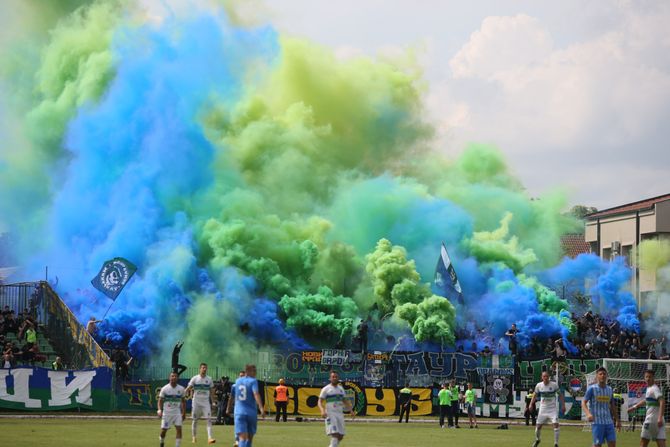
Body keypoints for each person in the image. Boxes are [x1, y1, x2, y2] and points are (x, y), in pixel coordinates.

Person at [582, 367, 621, 447]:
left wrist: (617, 420)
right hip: (597, 422)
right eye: (600, 374)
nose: (602, 375)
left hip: (609, 422)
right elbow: (583, 402)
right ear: (597, 376)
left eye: (604, 374)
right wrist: (588, 414)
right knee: (597, 445)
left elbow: (612, 406)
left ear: (606, 376)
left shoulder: (609, 389)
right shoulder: (592, 389)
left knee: (612, 444)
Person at [227, 364, 264, 447]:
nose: (255, 373)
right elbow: (256, 394)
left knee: (242, 438)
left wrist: (229, 408)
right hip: (251, 413)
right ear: (249, 371)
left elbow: (233, 397)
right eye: (254, 371)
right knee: (249, 439)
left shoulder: (237, 382)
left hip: (239, 412)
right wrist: (261, 408)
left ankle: (239, 442)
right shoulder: (253, 381)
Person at [627, 369, 666, 447]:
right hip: (660, 421)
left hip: (651, 420)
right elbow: (646, 400)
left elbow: (662, 401)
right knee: (661, 442)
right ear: (644, 378)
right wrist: (634, 407)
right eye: (646, 377)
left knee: (643, 442)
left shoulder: (654, 389)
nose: (648, 378)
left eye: (650, 377)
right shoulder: (649, 388)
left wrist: (659, 418)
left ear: (653, 378)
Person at [530, 370, 566, 447]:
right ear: (542, 377)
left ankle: (556, 443)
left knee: (556, 425)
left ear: (549, 377)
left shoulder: (554, 385)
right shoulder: (539, 385)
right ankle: (537, 440)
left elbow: (560, 395)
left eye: (547, 376)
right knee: (538, 427)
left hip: (552, 409)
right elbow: (534, 395)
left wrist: (563, 405)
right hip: (543, 409)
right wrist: (530, 404)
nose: (545, 378)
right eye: (544, 376)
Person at [318, 371, 352, 447]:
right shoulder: (326, 389)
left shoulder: (341, 389)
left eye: (336, 377)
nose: (334, 378)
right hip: (330, 414)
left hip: (339, 414)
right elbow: (319, 401)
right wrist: (322, 410)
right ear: (330, 378)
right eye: (333, 377)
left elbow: (345, 400)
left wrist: (351, 410)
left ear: (338, 378)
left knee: (341, 435)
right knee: (335, 433)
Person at [186, 362, 216, 444]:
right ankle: (194, 437)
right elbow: (189, 387)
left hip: (205, 403)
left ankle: (210, 438)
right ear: (200, 369)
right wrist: (184, 392)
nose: (204, 369)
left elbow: (212, 391)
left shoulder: (209, 379)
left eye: (205, 368)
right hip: (196, 402)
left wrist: (213, 402)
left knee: (209, 420)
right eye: (203, 368)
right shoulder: (195, 378)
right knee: (195, 420)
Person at [158, 372, 186, 447]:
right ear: (169, 378)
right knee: (164, 431)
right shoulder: (164, 388)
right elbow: (160, 400)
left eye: (175, 376)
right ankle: (161, 441)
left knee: (179, 429)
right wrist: (159, 410)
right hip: (167, 414)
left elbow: (183, 402)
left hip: (177, 413)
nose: (174, 377)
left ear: (177, 378)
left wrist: (183, 413)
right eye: (172, 376)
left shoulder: (181, 389)